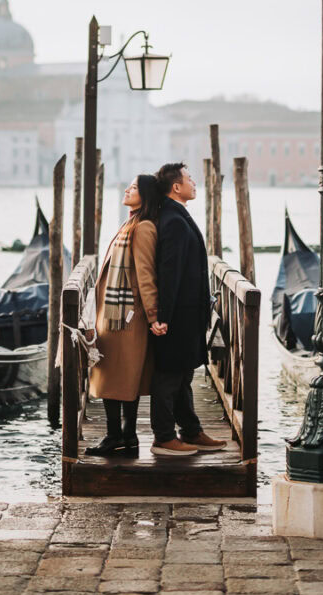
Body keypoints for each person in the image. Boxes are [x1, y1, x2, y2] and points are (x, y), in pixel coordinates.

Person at [149, 161, 227, 457]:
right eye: (190, 179)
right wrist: (163, 317)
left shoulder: (176, 217)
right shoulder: (173, 221)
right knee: (169, 375)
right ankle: (164, 437)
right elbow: (170, 274)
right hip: (177, 315)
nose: (194, 183)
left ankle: (191, 431)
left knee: (183, 375)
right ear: (176, 187)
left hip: (188, 313)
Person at [84, 173, 161, 458]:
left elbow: (145, 275)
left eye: (135, 187)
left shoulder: (143, 228)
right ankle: (123, 437)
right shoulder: (131, 222)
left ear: (147, 195)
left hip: (126, 318)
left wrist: (153, 315)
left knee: (120, 378)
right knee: (116, 378)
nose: (128, 189)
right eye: (129, 185)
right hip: (114, 315)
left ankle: (119, 436)